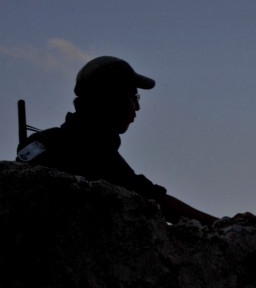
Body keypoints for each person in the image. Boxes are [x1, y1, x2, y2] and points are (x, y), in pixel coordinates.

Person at [16, 56, 217, 225]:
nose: (137, 107)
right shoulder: (94, 152)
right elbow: (153, 200)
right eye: (133, 97)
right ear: (111, 100)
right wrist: (221, 224)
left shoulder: (49, 141)